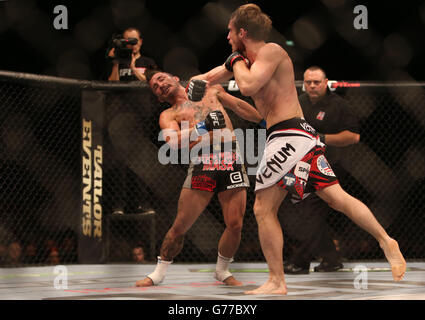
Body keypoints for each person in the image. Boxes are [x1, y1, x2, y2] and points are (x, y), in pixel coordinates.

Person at [193, 3, 406, 294]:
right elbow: (208, 77)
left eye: (230, 31)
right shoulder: (242, 59)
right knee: (336, 197)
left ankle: (277, 281)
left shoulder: (271, 52)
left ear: (242, 32)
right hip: (295, 136)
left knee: (263, 209)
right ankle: (386, 240)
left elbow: (248, 86)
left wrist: (234, 62)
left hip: (287, 135)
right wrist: (190, 85)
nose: (227, 37)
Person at [135, 70, 263, 287]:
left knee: (235, 224)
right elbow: (174, 143)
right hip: (203, 161)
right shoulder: (168, 115)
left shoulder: (211, 90)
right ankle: (159, 273)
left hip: (232, 157)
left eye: (161, 78)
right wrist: (203, 127)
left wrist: (264, 122)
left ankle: (222, 271)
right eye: (155, 86)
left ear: (176, 77)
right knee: (180, 225)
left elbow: (240, 107)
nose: (160, 84)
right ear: (158, 97)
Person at [283, 66, 360, 274]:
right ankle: (331, 258)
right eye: (308, 82)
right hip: (301, 167)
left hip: (331, 168)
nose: (312, 86)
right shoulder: (298, 102)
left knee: (311, 214)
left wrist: (321, 139)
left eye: (316, 82)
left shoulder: (338, 106)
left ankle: (300, 261)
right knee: (306, 214)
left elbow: (353, 136)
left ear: (325, 82)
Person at [106, 27, 158, 215]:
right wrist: (116, 62)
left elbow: (153, 82)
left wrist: (134, 66)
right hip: (121, 117)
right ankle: (118, 204)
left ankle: (142, 204)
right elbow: (112, 83)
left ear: (141, 41)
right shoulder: (120, 62)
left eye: (134, 41)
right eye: (127, 41)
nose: (131, 45)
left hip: (142, 117)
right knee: (119, 162)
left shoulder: (148, 62)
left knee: (142, 162)